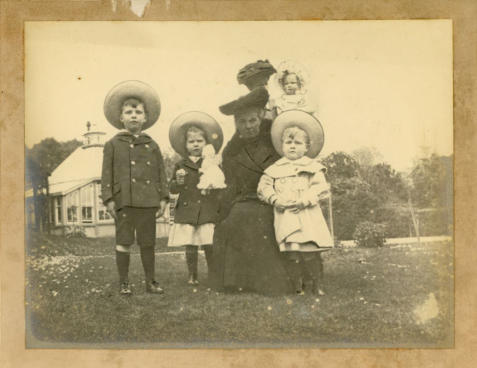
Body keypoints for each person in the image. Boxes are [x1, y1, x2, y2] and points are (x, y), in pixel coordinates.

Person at [209, 87, 293, 295]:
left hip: (272, 199)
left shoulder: (275, 141)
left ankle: (266, 281)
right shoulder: (232, 149)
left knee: (252, 217)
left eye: (252, 121)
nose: (247, 127)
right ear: (236, 124)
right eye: (242, 122)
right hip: (242, 198)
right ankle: (235, 281)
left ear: (260, 118)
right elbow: (231, 183)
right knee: (230, 220)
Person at [101, 80, 168, 295]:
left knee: (147, 243)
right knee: (124, 242)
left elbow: (161, 174)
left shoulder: (152, 144)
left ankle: (151, 281)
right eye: (128, 112)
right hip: (124, 201)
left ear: (145, 117)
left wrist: (164, 198)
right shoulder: (113, 144)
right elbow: (106, 174)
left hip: (148, 201)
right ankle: (124, 282)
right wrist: (109, 198)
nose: (133, 116)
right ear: (120, 117)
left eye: (138, 112)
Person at [257, 110, 333, 295]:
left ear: (306, 147)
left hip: (307, 215)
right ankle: (297, 286)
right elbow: (263, 188)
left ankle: (316, 284)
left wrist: (305, 200)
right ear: (281, 145)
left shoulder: (313, 168)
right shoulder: (274, 170)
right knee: (293, 253)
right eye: (288, 142)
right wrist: (275, 199)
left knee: (310, 253)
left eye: (297, 143)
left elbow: (320, 188)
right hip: (286, 215)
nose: (292, 146)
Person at [167, 111, 224, 285]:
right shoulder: (180, 164)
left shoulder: (211, 163)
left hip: (206, 207)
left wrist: (213, 186)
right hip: (188, 207)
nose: (196, 145)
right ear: (185, 144)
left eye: (200, 141)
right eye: (191, 142)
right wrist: (178, 180)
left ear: (206, 143)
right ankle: (193, 275)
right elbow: (172, 188)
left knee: (209, 242)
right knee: (190, 243)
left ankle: (213, 274)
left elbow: (219, 182)